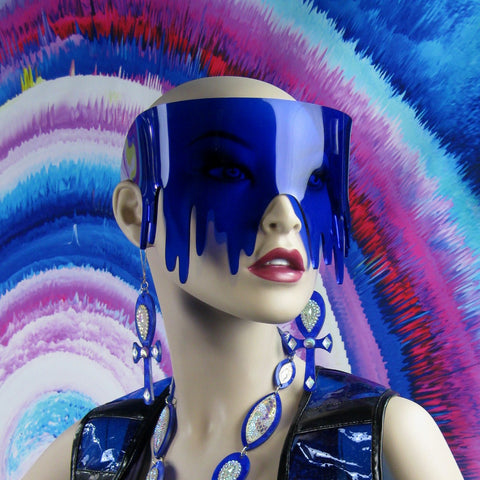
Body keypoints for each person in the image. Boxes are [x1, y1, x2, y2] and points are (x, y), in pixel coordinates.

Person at [23, 76, 463, 480]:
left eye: (312, 180)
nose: (287, 216)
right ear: (136, 213)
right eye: (230, 171)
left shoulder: (385, 440)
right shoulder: (89, 455)